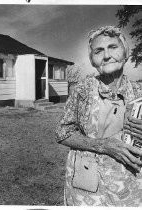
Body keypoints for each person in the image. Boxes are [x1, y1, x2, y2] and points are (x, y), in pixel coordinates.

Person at [55, 26, 142, 206]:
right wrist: (104, 146)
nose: (106, 55)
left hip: (131, 185)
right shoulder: (82, 90)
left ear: (126, 52)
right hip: (88, 187)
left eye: (113, 47)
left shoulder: (139, 91)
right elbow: (62, 133)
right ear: (93, 60)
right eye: (99, 51)